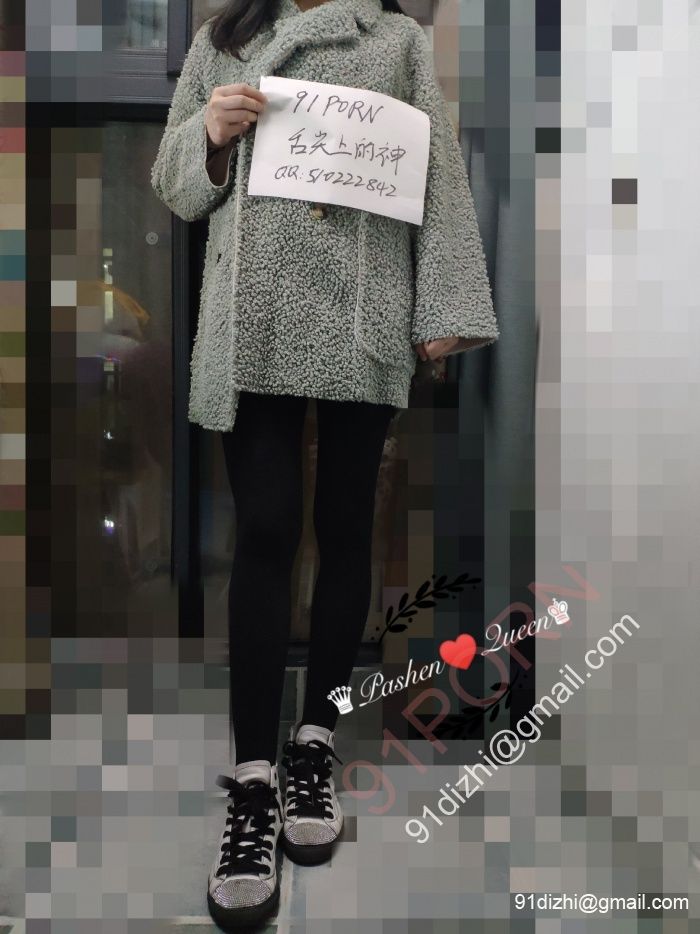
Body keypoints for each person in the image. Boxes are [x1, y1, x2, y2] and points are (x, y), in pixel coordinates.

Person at [150, 0, 499, 926]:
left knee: (347, 531)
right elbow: (176, 186)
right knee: (265, 530)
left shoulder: (398, 42)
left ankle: (314, 743)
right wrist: (209, 137)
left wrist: (444, 303)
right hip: (252, 319)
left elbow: (436, 170)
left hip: (361, 310)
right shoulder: (224, 40)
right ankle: (253, 778)